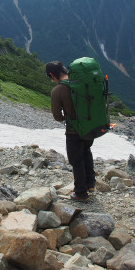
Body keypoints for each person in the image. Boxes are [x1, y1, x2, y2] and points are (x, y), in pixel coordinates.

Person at [46, 61, 94, 202]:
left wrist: (66, 117)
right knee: (86, 151)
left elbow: (57, 116)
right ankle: (90, 184)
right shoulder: (81, 82)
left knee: (76, 160)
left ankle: (80, 193)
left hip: (74, 130)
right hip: (90, 126)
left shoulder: (58, 90)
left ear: (51, 75)